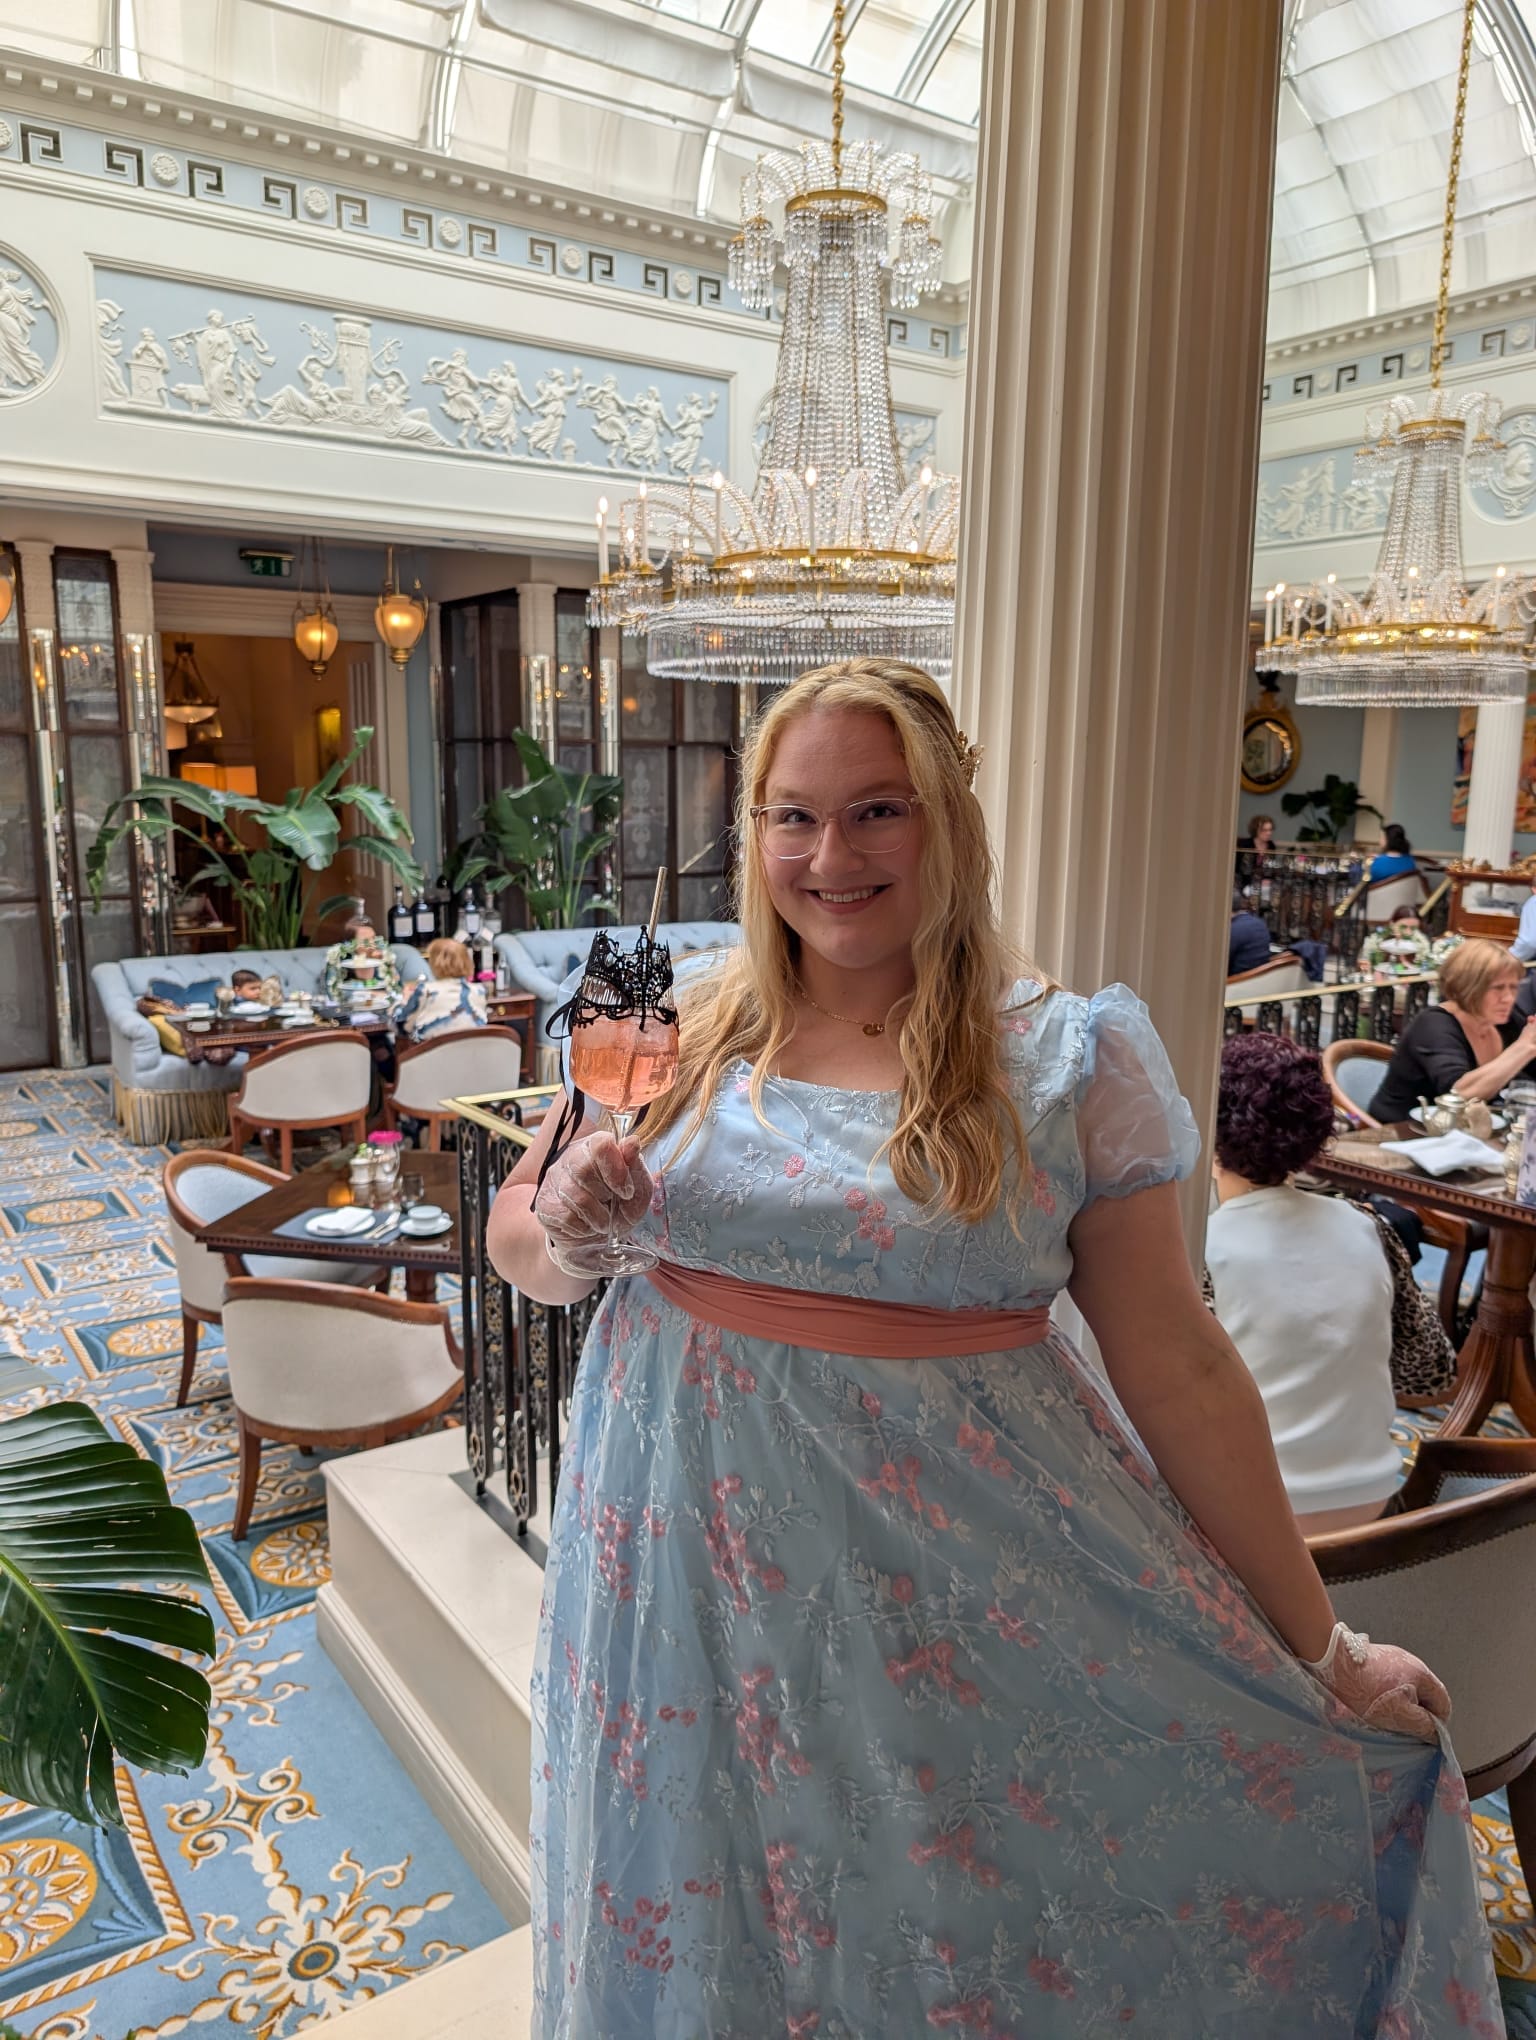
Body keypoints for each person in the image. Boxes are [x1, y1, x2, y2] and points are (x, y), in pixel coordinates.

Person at [486, 658, 1492, 2036]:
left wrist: (1326, 1654)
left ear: (948, 823)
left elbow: (1179, 1364)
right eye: (793, 817)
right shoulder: (673, 1023)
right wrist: (570, 1228)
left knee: (933, 1922)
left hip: (936, 1595)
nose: (829, 857)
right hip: (669, 1573)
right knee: (699, 1895)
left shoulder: (1066, 1057)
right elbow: (526, 1248)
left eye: (877, 811)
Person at [1206, 1034, 1449, 1534]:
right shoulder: (1369, 1226)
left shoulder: (1202, 1249)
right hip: (1374, 1501)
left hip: (1253, 1514)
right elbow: (1431, 1372)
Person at [1368, 935, 1536, 1121]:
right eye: (1498, 988)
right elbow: (1459, 1094)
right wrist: (1523, 1048)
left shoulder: (1507, 1021)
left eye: (1513, 988)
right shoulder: (1433, 1025)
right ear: (1469, 987)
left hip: (1470, 1130)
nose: (1508, 998)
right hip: (1401, 1129)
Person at [392, 936, 488, 1042]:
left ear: (435, 963)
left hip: (435, 1051)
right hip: (474, 1050)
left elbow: (401, 1028)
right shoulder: (480, 991)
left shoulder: (425, 990)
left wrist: (404, 1000)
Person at [322, 912, 404, 1006]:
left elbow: (397, 991)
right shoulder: (338, 961)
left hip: (381, 1009)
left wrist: (389, 966)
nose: (372, 944)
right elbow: (333, 996)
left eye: (373, 938)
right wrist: (371, 994)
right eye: (365, 940)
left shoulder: (382, 959)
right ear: (350, 944)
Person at [1226, 887, 1272, 975]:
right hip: (1259, 978)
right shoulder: (1259, 923)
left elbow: (1218, 962)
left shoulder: (1232, 929)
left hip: (1236, 980)